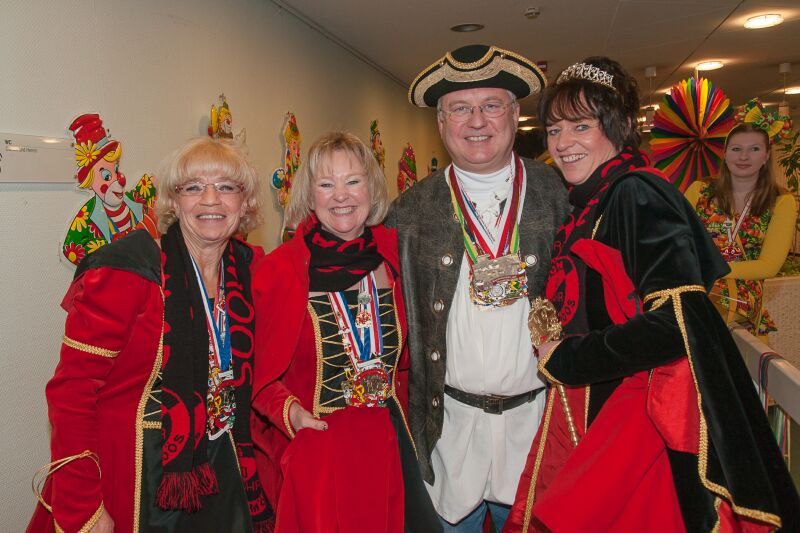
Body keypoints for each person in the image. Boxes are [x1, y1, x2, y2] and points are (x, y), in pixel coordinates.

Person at [504, 57, 799, 532]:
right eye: (554, 130)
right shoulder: (593, 198)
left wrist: (569, 356)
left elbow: (677, 321)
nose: (562, 143)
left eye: (581, 125)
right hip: (601, 409)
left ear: (618, 127)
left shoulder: (636, 193)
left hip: (643, 421)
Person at [28, 138, 273, 532]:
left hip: (223, 476)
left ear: (245, 203)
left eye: (227, 187)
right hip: (137, 482)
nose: (211, 199)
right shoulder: (126, 274)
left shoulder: (252, 272)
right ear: (173, 202)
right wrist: (82, 510)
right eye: (193, 187)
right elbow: (71, 394)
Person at [389, 44, 570, 531]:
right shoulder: (408, 212)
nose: (477, 121)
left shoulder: (560, 194)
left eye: (491, 106)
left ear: (515, 115)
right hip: (449, 436)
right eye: (460, 109)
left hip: (538, 429)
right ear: (441, 124)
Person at [250, 131, 440, 532]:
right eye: (326, 184)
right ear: (309, 194)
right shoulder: (280, 270)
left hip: (390, 443)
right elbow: (258, 376)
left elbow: (416, 357)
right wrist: (294, 415)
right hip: (320, 449)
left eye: (353, 181)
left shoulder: (396, 255)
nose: (341, 195)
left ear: (371, 187)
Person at [685, 117, 797, 339]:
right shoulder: (700, 191)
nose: (744, 157)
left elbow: (768, 266)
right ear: (725, 154)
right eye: (736, 149)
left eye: (754, 149)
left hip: (743, 312)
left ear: (766, 156)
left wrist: (712, 270)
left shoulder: (781, 201)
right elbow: (679, 241)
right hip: (697, 298)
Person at [63, 113, 158, 265]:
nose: (119, 179)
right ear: (90, 181)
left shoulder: (131, 201)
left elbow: (143, 194)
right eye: (107, 176)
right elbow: (71, 249)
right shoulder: (87, 216)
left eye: (116, 170)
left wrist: (152, 183)